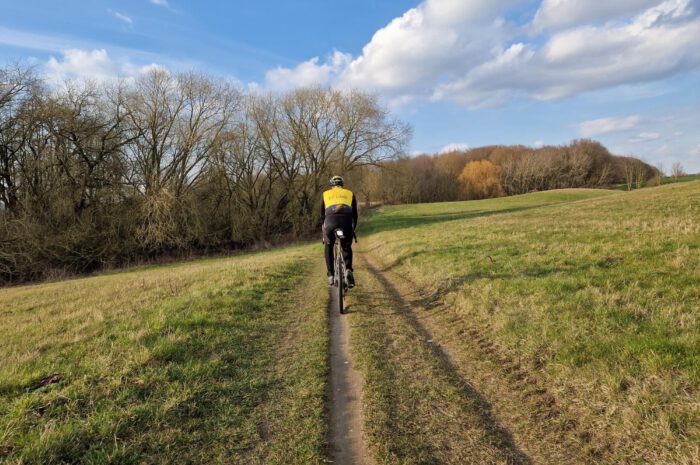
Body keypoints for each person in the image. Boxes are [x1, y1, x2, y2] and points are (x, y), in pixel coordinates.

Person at [321, 175, 357, 287]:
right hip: (346, 222)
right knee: (346, 245)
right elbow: (355, 215)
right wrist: (353, 229)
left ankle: (331, 275)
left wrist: (324, 230)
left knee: (328, 245)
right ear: (342, 185)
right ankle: (348, 270)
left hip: (330, 222)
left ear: (331, 186)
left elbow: (322, 214)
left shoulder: (325, 194)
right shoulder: (350, 193)